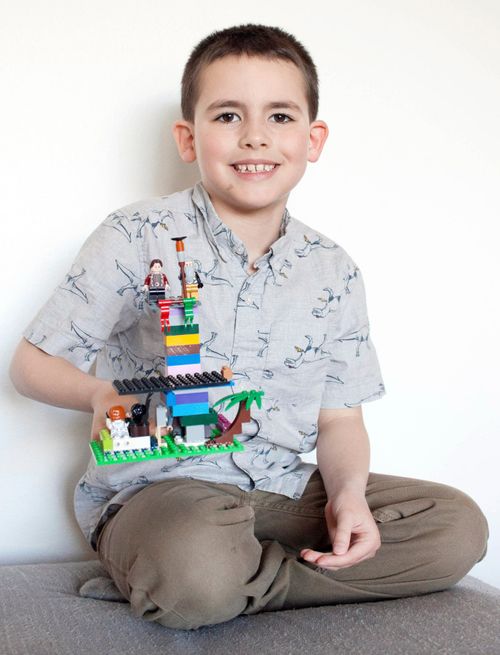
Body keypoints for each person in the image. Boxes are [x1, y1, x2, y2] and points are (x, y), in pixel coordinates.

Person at [10, 24, 488, 630]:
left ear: (314, 140)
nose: (256, 136)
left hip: (281, 489)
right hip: (165, 491)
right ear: (188, 137)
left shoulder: (333, 269)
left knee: (456, 526)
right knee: (192, 550)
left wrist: (347, 498)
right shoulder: (136, 236)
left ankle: (222, 582)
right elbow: (30, 368)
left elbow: (340, 418)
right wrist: (106, 396)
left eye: (281, 117)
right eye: (229, 115)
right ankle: (194, 573)